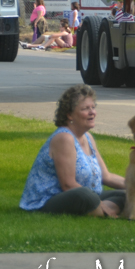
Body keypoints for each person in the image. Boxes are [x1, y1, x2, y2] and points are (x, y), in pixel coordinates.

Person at [20, 85, 126, 217]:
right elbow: (68, 185)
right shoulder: (64, 138)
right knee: (86, 195)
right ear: (69, 114)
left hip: (90, 196)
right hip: (49, 200)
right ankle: (104, 210)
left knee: (127, 194)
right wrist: (100, 203)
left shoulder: (88, 137)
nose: (92, 112)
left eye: (93, 107)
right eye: (85, 109)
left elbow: (107, 177)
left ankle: (99, 212)